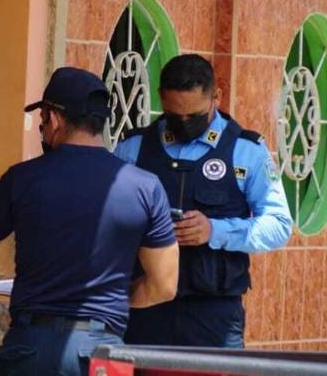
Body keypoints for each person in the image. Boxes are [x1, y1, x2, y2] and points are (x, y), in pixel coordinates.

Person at [0, 67, 179, 376]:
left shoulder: (22, 179)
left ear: (55, 119)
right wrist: (107, 298)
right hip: (105, 350)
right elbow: (164, 285)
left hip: (31, 346)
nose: (43, 129)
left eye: (43, 120)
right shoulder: (146, 187)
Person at [116, 54, 292, 348]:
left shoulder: (246, 150)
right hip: (142, 305)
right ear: (161, 98)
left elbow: (279, 225)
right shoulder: (133, 149)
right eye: (174, 115)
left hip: (213, 312)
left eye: (194, 117)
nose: (184, 124)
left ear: (216, 97)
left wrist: (215, 231)